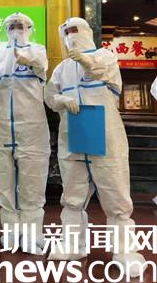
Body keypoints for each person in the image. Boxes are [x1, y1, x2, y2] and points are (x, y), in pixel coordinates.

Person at [45, 17, 146, 277]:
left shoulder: (105, 57)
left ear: (87, 32)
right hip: (73, 137)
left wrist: (84, 60)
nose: (71, 35)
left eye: (75, 30)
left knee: (116, 197)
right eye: (66, 31)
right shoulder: (62, 68)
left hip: (106, 137)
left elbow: (100, 71)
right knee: (72, 197)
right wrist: (60, 99)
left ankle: (125, 251)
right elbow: (49, 95)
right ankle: (72, 245)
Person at [0, 12, 50, 254]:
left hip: (31, 128)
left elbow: (42, 67)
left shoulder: (38, 50)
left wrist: (27, 59)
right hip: (3, 127)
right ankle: (11, 232)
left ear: (30, 28)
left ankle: (32, 234)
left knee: (32, 182)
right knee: (5, 183)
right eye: (12, 25)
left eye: (21, 25)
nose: (16, 28)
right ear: (6, 29)